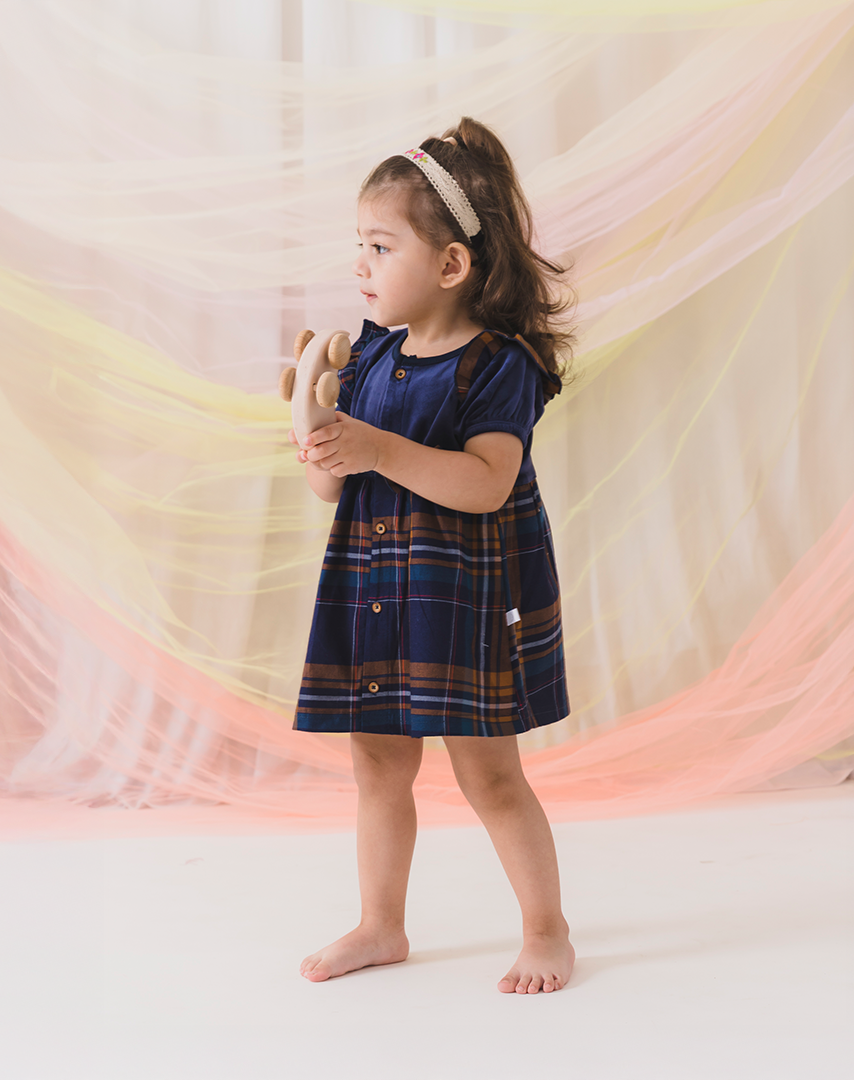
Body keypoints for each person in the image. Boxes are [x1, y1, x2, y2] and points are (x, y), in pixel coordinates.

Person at [288, 117, 575, 994]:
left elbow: (488, 482)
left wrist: (377, 447)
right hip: (377, 587)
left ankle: (548, 929)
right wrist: (313, 428)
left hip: (461, 597)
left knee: (489, 774)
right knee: (376, 762)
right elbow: (331, 488)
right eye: (359, 245)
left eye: (380, 247)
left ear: (451, 265)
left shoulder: (497, 366)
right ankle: (381, 924)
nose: (360, 265)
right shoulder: (371, 353)